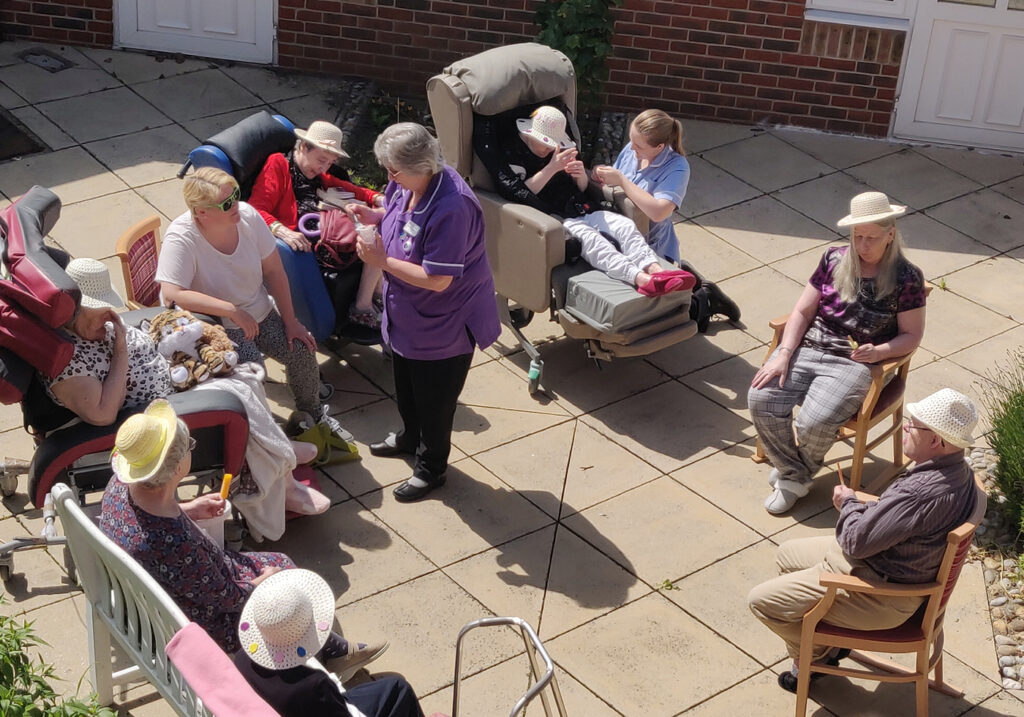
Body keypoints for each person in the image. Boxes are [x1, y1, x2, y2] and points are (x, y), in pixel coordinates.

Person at [99, 399, 388, 678]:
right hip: (196, 619)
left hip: (154, 597)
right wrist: (259, 585)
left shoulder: (120, 486)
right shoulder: (173, 543)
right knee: (284, 591)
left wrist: (189, 509)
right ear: (177, 469)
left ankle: (326, 649)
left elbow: (160, 532)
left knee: (283, 564)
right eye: (189, 447)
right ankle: (321, 663)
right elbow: (224, 598)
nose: (191, 450)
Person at [747, 388, 979, 694]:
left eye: (912, 424)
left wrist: (850, 503)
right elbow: (890, 522)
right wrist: (865, 508)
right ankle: (823, 642)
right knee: (786, 555)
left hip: (881, 592)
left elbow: (856, 541)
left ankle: (816, 655)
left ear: (936, 441)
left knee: (761, 603)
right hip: (887, 565)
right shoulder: (959, 472)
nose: (905, 428)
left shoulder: (921, 492)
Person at [44, 300, 330, 540]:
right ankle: (283, 481)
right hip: (163, 406)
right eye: (99, 317)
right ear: (72, 318)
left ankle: (279, 451)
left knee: (242, 376)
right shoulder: (70, 367)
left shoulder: (91, 331)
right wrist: (121, 346)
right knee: (235, 396)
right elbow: (105, 413)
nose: (109, 321)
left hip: (171, 372)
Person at [347, 123, 500, 502]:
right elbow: (397, 216)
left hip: (444, 326)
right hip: (407, 316)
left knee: (436, 403)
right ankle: (408, 437)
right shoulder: (405, 183)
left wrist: (381, 261)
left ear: (423, 164)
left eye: (393, 171)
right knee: (406, 389)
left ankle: (432, 467)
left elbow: (437, 280)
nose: (388, 177)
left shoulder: (453, 207)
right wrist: (373, 217)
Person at [748, 191, 927, 514]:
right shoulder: (833, 259)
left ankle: (791, 476)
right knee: (760, 397)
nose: (863, 246)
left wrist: (881, 351)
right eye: (858, 237)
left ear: (891, 235)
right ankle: (796, 472)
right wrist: (784, 352)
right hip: (808, 348)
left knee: (813, 422)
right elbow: (802, 312)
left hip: (856, 363)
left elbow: (912, 336)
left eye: (872, 238)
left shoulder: (907, 277)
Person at [157, 166, 349, 438]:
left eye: (235, 194)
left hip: (259, 311)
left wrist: (291, 321)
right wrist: (231, 311)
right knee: (252, 371)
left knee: (303, 350)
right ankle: (263, 434)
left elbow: (274, 270)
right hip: (217, 324)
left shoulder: (247, 216)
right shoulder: (182, 236)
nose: (236, 203)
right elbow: (172, 293)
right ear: (202, 212)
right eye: (226, 203)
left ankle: (313, 414)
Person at [476, 105, 695, 297]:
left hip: (581, 208)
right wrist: (552, 168)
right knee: (593, 241)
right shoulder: (516, 154)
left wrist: (581, 176)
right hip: (555, 219)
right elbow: (520, 193)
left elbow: (582, 189)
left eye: (551, 145)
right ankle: (641, 279)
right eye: (543, 144)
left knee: (624, 226)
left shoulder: (677, 166)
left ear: (659, 147)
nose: (547, 150)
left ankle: (657, 270)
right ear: (528, 135)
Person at [592, 108, 740, 328]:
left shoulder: (677, 167)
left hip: (652, 245)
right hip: (624, 234)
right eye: (631, 141)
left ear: (660, 147)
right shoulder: (634, 150)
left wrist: (622, 181)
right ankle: (684, 274)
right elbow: (614, 181)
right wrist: (599, 175)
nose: (632, 148)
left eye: (639, 145)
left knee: (664, 312)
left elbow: (659, 211)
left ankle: (705, 299)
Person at [234, 569, 437, 717]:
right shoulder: (313, 685)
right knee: (399, 688)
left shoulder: (242, 658)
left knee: (392, 686)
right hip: (322, 709)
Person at [249, 120, 387, 329]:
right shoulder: (278, 164)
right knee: (372, 237)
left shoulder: (316, 173)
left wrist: (377, 198)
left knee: (381, 230)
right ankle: (363, 305)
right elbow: (254, 209)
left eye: (330, 162)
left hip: (323, 228)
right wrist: (282, 231)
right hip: (303, 238)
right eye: (321, 160)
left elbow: (347, 187)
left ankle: (377, 295)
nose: (323, 167)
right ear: (304, 147)